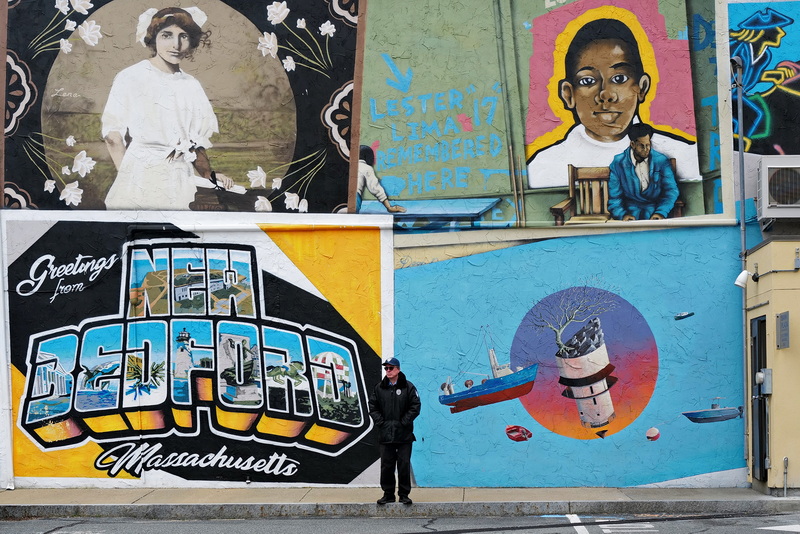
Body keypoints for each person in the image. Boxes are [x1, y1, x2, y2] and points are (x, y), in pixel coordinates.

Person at [527, 18, 701, 189]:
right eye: (588, 81)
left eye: (619, 78)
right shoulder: (544, 167)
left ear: (641, 87)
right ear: (569, 94)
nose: (605, 94)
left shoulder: (683, 156)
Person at [101, 6, 234, 210]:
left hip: (178, 178)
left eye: (184, 37)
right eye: (167, 35)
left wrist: (211, 176)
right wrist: (128, 176)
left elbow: (195, 144)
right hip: (140, 175)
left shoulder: (191, 85)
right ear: (154, 38)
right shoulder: (131, 77)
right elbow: (113, 137)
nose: (176, 44)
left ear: (191, 42)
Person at [368, 357, 420, 505]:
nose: (388, 371)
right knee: (386, 466)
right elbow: (373, 406)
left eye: (391, 368)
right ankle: (388, 494)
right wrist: (381, 423)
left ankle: (404, 495)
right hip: (385, 435)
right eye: (386, 368)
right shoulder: (379, 388)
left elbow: (415, 406)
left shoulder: (408, 387)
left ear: (398, 369)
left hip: (404, 435)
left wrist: (404, 422)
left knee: (403, 465)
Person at [608, 123, 679, 220]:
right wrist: (623, 215)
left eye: (648, 145)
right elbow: (615, 197)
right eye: (642, 146)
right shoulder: (619, 163)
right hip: (629, 212)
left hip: (655, 211)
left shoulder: (661, 161)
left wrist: (661, 212)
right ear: (633, 144)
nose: (646, 150)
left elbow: (671, 191)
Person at [357, 146, 406, 213]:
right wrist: (389, 207)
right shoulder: (366, 168)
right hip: (355, 199)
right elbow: (376, 188)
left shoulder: (346, 165)